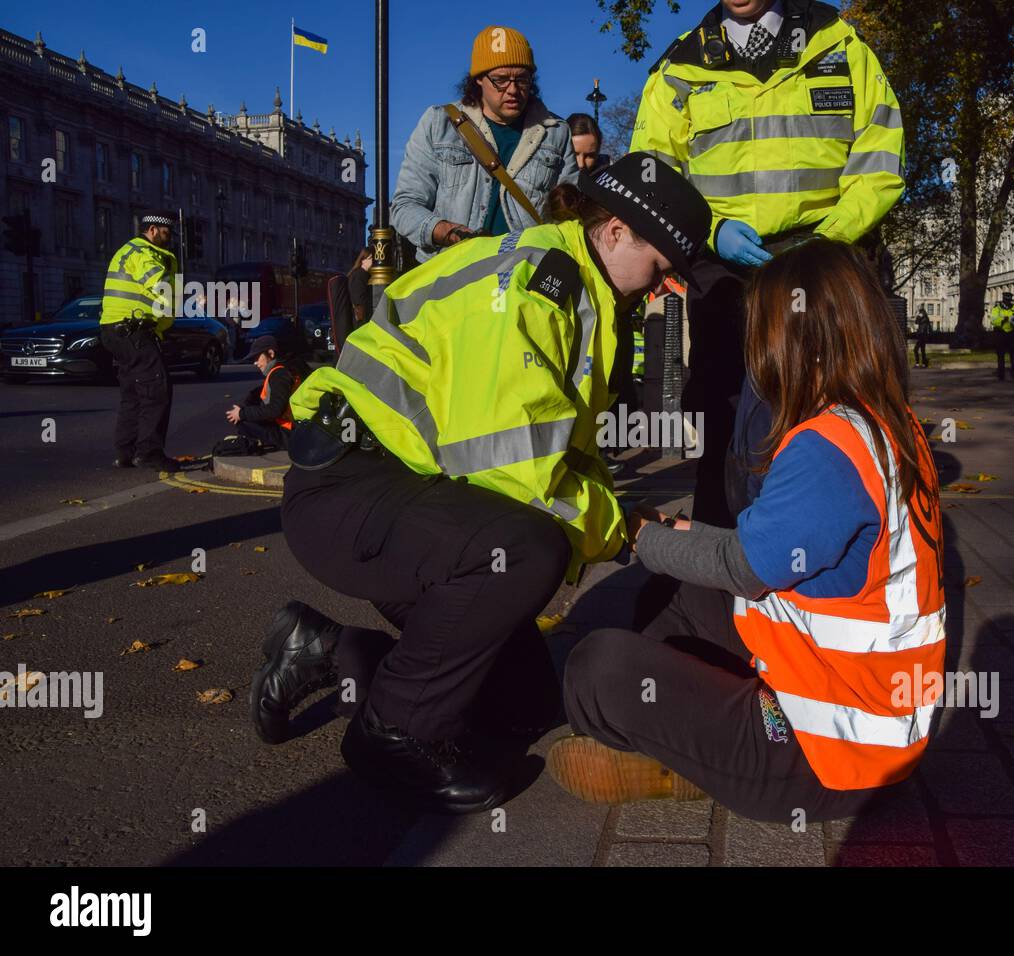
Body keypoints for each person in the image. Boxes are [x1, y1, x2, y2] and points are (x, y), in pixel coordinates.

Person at [249, 154, 712, 815]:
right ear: (613, 231)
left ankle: (329, 649)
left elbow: (560, 449)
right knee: (528, 548)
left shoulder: (580, 287)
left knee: (520, 707)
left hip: (399, 491)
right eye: (663, 268)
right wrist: (624, 531)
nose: (668, 288)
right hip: (351, 490)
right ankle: (392, 733)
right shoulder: (538, 288)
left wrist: (622, 513)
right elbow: (516, 473)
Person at [551, 238, 946, 822]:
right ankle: (694, 732)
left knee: (597, 668)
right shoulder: (882, 422)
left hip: (826, 757)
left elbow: (741, 567)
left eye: (759, 331)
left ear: (795, 340)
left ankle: (692, 757)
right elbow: (766, 550)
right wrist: (682, 536)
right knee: (682, 592)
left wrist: (637, 534)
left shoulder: (826, 447)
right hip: (869, 715)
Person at [631, 0, 906, 527]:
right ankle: (719, 555)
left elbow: (881, 154)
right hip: (722, 265)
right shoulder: (679, 68)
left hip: (820, 259)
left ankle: (825, 542)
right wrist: (710, 232)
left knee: (826, 403)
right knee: (722, 408)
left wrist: (830, 237)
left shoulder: (840, 45)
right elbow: (652, 174)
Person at [391, 26, 579, 264]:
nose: (512, 89)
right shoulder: (439, 123)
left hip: (524, 277)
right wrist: (447, 232)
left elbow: (569, 219)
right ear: (479, 79)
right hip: (453, 273)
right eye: (500, 80)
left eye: (522, 79)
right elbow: (405, 206)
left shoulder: (556, 132)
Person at [100, 210, 181, 472]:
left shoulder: (127, 250)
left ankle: (126, 451)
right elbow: (158, 284)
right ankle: (149, 452)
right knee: (157, 389)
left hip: (116, 330)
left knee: (133, 392)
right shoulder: (143, 253)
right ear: (153, 230)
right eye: (166, 233)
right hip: (133, 330)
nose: (170, 239)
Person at [224, 335, 305, 452]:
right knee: (249, 413)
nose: (255, 363)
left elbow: (275, 410)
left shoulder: (279, 375)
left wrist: (242, 414)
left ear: (271, 354)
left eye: (257, 357)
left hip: (289, 432)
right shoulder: (285, 369)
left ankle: (261, 443)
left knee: (243, 422)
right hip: (296, 428)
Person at [990, 291, 1014, 382]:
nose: (1008, 302)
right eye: (1006, 300)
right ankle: (1001, 375)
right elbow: (993, 320)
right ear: (1003, 299)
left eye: (1009, 300)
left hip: (1012, 333)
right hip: (1000, 333)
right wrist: (1002, 320)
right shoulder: (997, 308)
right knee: (1001, 355)